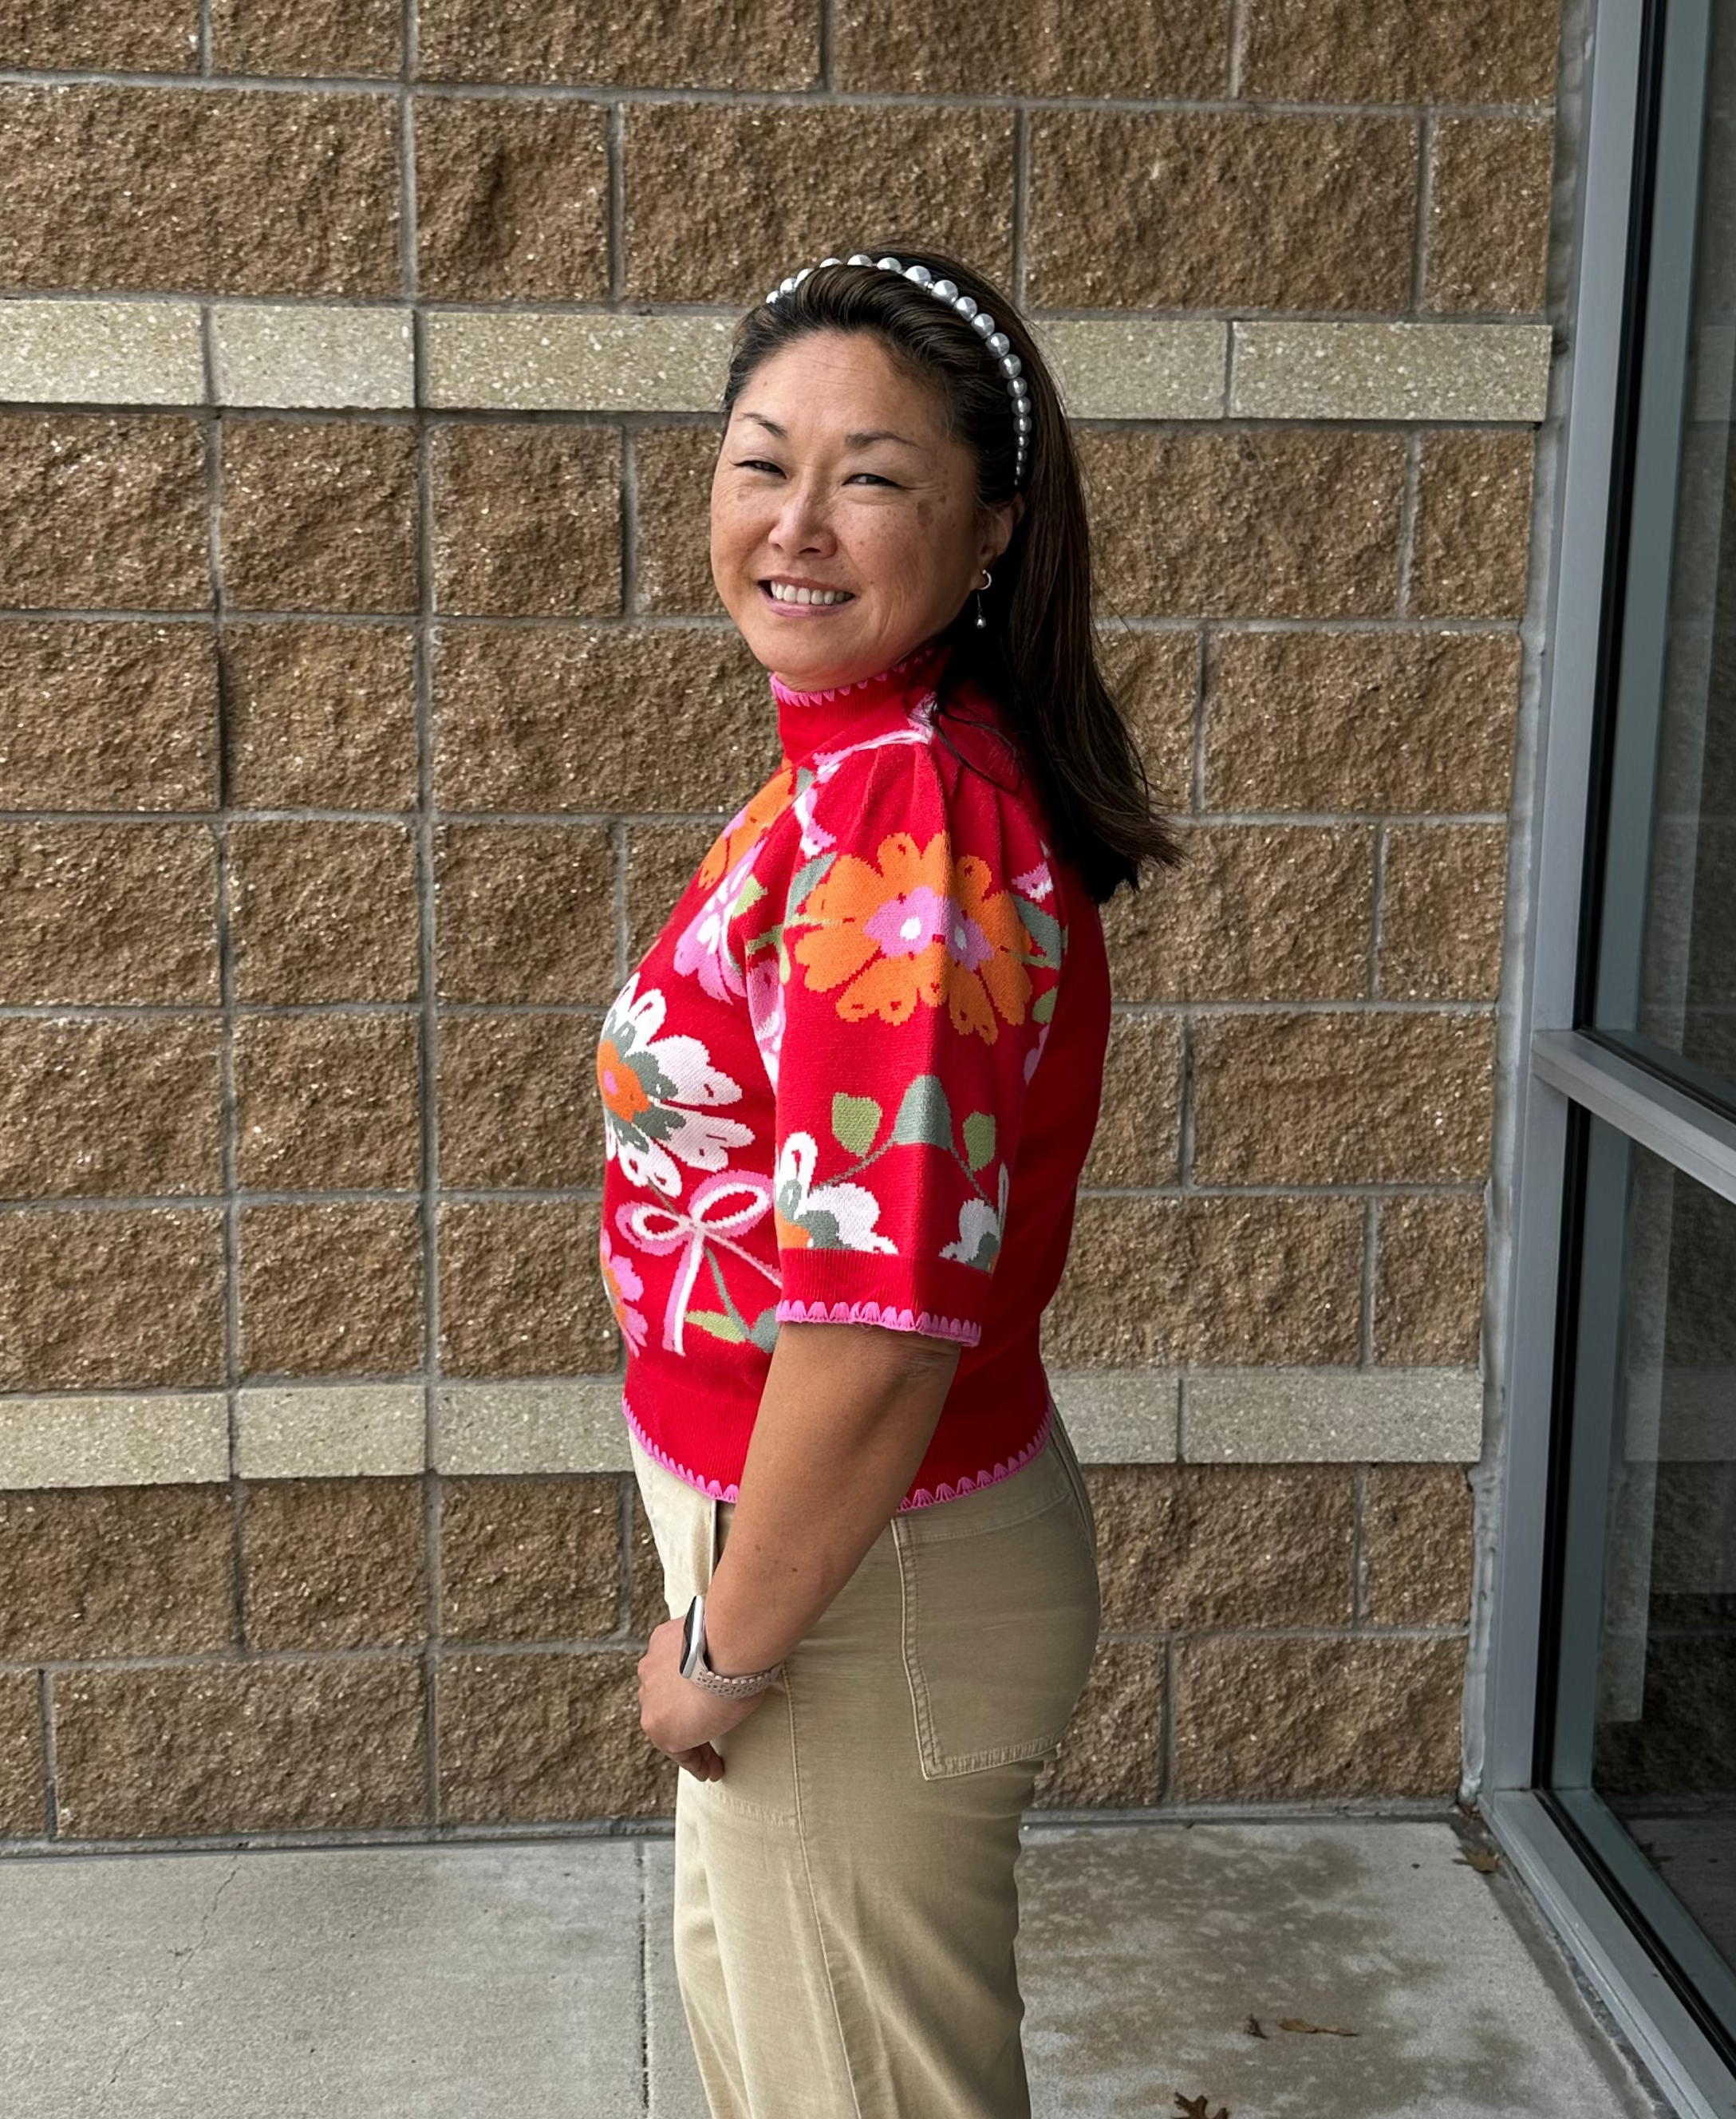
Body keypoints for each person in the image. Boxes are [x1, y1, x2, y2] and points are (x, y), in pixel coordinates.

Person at [595, 245, 1178, 2119]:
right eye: (762, 460)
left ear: (990, 524)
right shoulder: (848, 771)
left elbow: (873, 1325)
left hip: (859, 1589)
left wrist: (722, 1641)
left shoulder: (905, 840)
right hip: (822, 1555)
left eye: (871, 475)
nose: (794, 521)